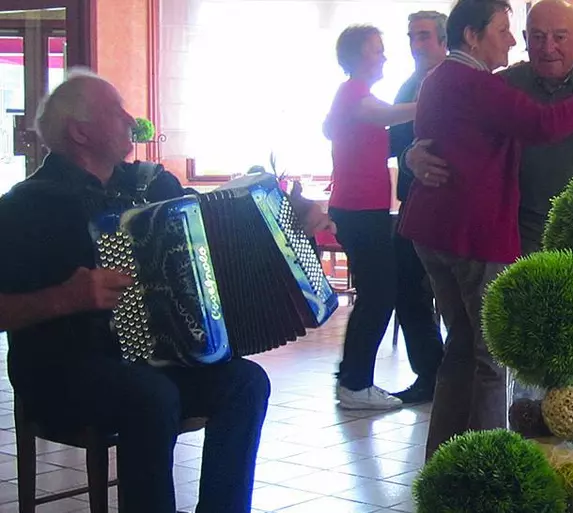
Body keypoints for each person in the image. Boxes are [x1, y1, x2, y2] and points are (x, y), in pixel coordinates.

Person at [0, 68, 333, 513]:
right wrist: (67, 298)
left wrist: (291, 213)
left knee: (246, 382)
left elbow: (212, 233)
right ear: (80, 132)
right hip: (62, 370)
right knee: (152, 396)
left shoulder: (153, 186)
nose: (129, 119)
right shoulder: (27, 207)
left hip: (156, 362)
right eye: (114, 111)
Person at [397, 0, 573, 460]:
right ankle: (489, 468)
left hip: (432, 233)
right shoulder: (476, 83)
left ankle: (445, 464)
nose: (514, 41)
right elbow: (544, 125)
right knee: (492, 361)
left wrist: (413, 155)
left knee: (462, 349)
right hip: (472, 237)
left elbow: (441, 138)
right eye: (506, 30)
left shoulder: (436, 78)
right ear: (472, 35)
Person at [405, 0, 573, 256]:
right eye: (538, 37)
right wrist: (411, 157)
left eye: (560, 37)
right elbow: (450, 134)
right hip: (515, 234)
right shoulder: (501, 84)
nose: (548, 47)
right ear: (525, 38)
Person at [324, 25, 416, 410]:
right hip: (359, 211)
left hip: (367, 209)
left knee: (376, 295)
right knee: (379, 296)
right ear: (358, 57)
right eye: (377, 51)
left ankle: (352, 377)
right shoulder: (354, 94)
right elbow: (390, 115)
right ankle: (355, 383)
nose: (383, 57)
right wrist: (438, 100)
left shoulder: (356, 96)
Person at [388, 11, 448, 404]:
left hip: (449, 205)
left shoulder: (452, 82)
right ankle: (430, 372)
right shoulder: (410, 84)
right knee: (407, 288)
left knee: (454, 295)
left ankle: (453, 377)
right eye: (412, 36)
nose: (416, 44)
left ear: (444, 40)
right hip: (413, 203)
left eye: (424, 36)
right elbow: (394, 144)